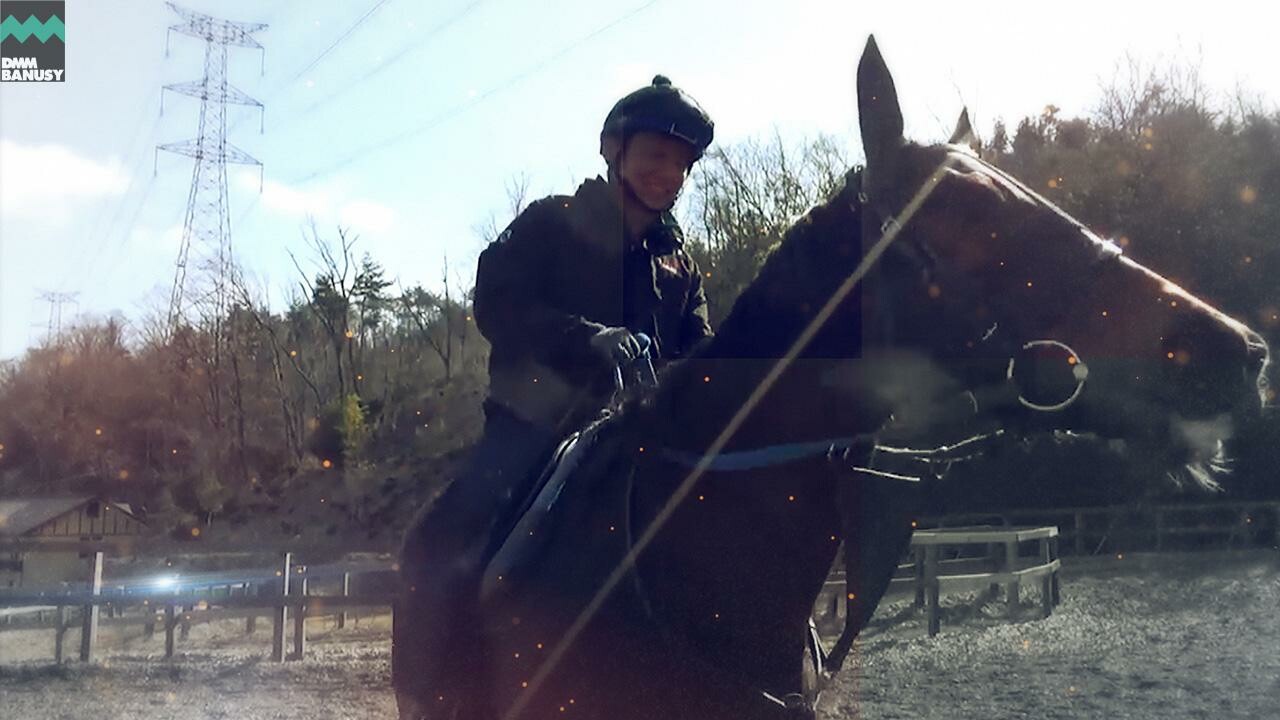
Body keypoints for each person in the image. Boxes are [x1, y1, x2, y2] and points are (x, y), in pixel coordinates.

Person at [394, 75, 716, 719]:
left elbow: (702, 354)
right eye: (657, 155)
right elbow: (495, 302)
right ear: (614, 151)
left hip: (643, 436)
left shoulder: (681, 265)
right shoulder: (551, 222)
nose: (669, 173)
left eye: (681, 164)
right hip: (534, 425)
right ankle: (436, 692)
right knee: (444, 535)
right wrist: (587, 338)